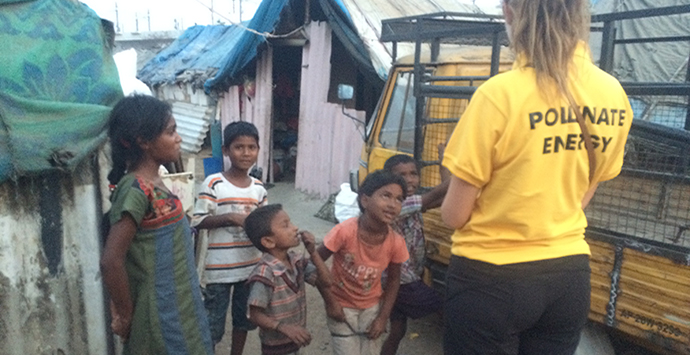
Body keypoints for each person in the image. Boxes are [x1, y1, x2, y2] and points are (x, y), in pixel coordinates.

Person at [440, 0, 633, 354]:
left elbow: (454, 216)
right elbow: (586, 191)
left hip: (491, 279)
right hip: (569, 278)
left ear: (511, 13)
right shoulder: (612, 93)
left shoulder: (498, 95)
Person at [100, 95, 213, 355]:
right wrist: (126, 315)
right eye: (170, 131)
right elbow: (111, 261)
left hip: (180, 304)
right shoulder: (136, 189)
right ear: (144, 141)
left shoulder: (155, 182)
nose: (179, 138)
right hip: (160, 315)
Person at [191, 121, 267, 353]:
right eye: (238, 147)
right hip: (218, 271)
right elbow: (198, 221)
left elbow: (265, 225)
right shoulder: (213, 183)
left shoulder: (259, 188)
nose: (246, 153)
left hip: (249, 267)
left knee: (243, 320)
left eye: (251, 147)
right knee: (212, 324)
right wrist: (230, 217)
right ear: (226, 150)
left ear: (257, 150)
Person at [317, 170, 410, 355]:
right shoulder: (344, 232)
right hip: (341, 307)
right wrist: (330, 301)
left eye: (399, 199)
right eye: (386, 196)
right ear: (365, 200)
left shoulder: (396, 242)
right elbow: (315, 262)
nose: (393, 204)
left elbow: (393, 281)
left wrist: (383, 317)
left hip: (372, 309)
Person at [380, 154, 448, 355]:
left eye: (413, 174)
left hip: (402, 278)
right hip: (402, 280)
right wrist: (450, 164)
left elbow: (446, 197)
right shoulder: (397, 205)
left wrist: (444, 168)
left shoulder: (411, 202)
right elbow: (444, 190)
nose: (409, 179)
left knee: (398, 331)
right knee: (449, 315)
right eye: (402, 175)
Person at [244, 204, 332, 355]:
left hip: (294, 341)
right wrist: (283, 327)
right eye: (286, 225)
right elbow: (254, 314)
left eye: (290, 222)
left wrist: (313, 252)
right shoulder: (265, 273)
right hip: (275, 347)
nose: (295, 228)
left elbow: (326, 282)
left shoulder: (296, 261)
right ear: (268, 241)